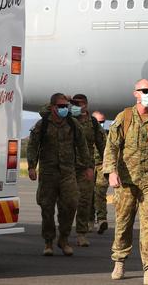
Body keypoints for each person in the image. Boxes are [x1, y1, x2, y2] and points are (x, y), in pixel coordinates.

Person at [103, 79, 148, 284]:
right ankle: (119, 260)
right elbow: (112, 145)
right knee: (123, 224)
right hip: (126, 180)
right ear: (135, 93)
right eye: (145, 90)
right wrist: (111, 171)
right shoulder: (125, 116)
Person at [27, 93, 92, 256]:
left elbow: (82, 146)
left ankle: (63, 239)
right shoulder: (42, 125)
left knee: (70, 205)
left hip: (67, 173)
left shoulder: (72, 123)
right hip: (48, 173)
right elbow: (33, 146)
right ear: (53, 107)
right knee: (47, 208)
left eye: (66, 106)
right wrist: (31, 166)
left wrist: (88, 167)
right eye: (61, 106)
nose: (64, 109)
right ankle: (48, 242)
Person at [70, 94, 106, 247]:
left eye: (80, 103)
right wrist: (65, 100)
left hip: (86, 168)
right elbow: (45, 113)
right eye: (74, 103)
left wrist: (108, 164)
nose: (77, 106)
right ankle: (63, 234)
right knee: (68, 203)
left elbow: (102, 144)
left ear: (86, 105)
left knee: (85, 201)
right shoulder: (67, 120)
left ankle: (81, 233)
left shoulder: (92, 123)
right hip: (67, 168)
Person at [91, 110, 110, 234]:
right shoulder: (86, 134)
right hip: (88, 166)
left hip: (102, 166)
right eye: (98, 122)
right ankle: (89, 220)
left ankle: (102, 219)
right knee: (87, 195)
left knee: (100, 193)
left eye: (103, 122)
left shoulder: (107, 135)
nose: (101, 124)